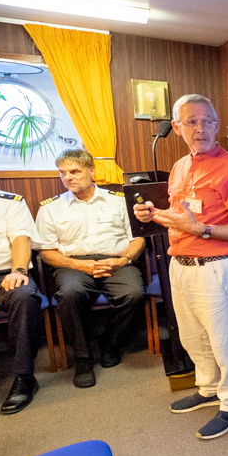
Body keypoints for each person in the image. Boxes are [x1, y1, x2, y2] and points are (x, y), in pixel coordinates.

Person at [133, 94, 228, 440]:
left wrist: (203, 230)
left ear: (217, 126)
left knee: (224, 338)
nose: (200, 128)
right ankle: (209, 388)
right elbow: (182, 217)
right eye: (192, 122)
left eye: (207, 121)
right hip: (180, 264)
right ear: (177, 128)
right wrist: (153, 215)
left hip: (216, 268)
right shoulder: (179, 167)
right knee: (192, 336)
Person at [35, 149, 146, 388]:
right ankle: (83, 359)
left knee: (133, 294)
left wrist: (124, 259)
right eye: (63, 173)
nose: (68, 177)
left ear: (92, 171)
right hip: (72, 265)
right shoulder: (50, 208)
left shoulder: (118, 201)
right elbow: (46, 252)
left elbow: (137, 238)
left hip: (115, 261)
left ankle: (110, 343)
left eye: (75, 171)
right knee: (70, 294)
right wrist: (79, 265)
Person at [0, 158, 44, 426]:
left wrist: (19, 271)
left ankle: (24, 378)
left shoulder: (10, 202)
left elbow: (21, 239)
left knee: (25, 297)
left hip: (6, 274)